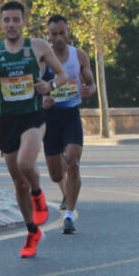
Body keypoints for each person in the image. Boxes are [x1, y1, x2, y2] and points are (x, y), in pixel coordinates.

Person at [0, 0, 68, 258]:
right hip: (7, 121)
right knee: (18, 183)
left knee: (26, 165)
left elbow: (62, 76)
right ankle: (32, 232)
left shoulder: (38, 46)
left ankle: (38, 195)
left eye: (16, 19)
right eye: (6, 20)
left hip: (33, 116)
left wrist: (49, 87)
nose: (11, 25)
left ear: (23, 22)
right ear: (1, 22)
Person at [41, 14, 97, 234]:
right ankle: (64, 189)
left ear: (68, 32)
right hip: (49, 118)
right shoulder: (42, 59)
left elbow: (90, 85)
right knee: (56, 174)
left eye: (62, 33)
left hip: (71, 114)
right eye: (54, 34)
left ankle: (69, 216)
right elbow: (31, 87)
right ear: (48, 35)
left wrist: (88, 90)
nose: (58, 38)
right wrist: (41, 100)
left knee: (73, 162)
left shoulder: (79, 56)